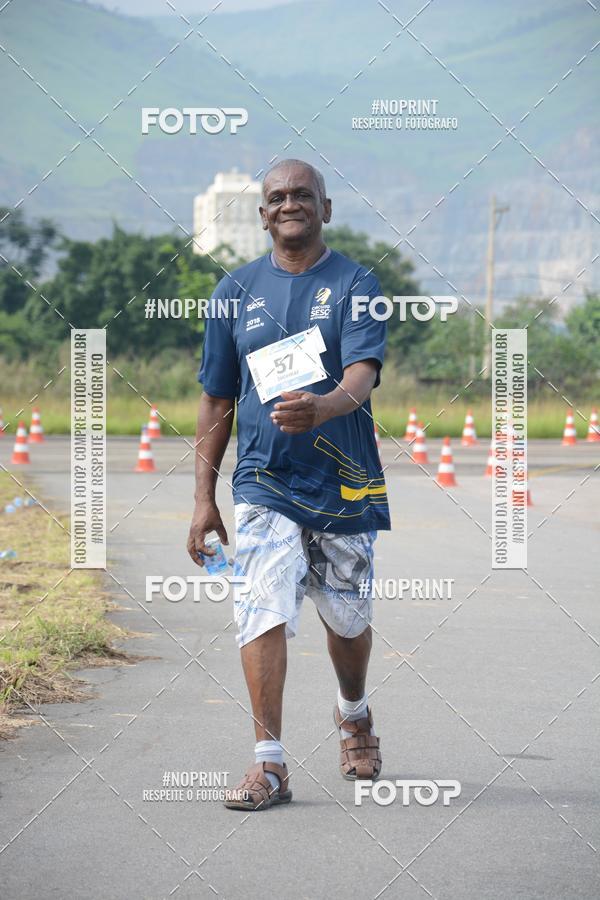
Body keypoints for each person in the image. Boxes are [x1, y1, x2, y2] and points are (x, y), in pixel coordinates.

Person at [187, 159, 390, 811]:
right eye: (277, 197)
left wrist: (322, 408)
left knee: (347, 618)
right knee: (261, 606)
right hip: (262, 483)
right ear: (263, 214)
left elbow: (360, 376)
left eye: (304, 194)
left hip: (344, 484)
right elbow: (217, 398)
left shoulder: (357, 284)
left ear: (326, 209)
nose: (289, 203)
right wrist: (202, 499)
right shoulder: (233, 291)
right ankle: (269, 764)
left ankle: (353, 712)